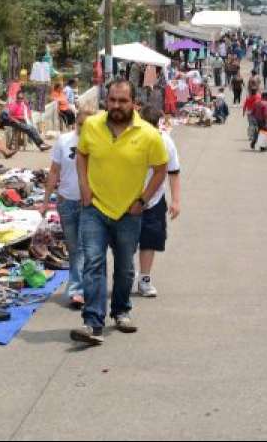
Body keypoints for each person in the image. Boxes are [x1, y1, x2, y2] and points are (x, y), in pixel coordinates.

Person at [71, 81, 169, 347]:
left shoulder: (148, 134)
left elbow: (161, 169)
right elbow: (81, 155)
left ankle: (121, 311)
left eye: (122, 101)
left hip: (129, 211)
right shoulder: (91, 126)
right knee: (93, 263)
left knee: (125, 268)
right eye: (112, 100)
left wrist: (143, 200)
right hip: (95, 208)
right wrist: (84, 187)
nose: (116, 106)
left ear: (133, 103)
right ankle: (93, 322)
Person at [44, 108, 94, 308]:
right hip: (65, 201)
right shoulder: (63, 141)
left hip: (87, 203)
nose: (83, 128)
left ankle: (77, 290)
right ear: (76, 123)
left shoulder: (97, 143)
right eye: (81, 124)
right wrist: (46, 200)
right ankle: (83, 286)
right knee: (73, 248)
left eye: (88, 125)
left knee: (82, 247)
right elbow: (54, 170)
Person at [136, 107, 182, 298]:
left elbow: (173, 172)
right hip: (125, 200)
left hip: (153, 201)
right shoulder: (130, 139)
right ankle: (124, 277)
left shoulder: (165, 142)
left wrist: (176, 201)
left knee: (150, 240)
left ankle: (145, 279)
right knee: (124, 243)